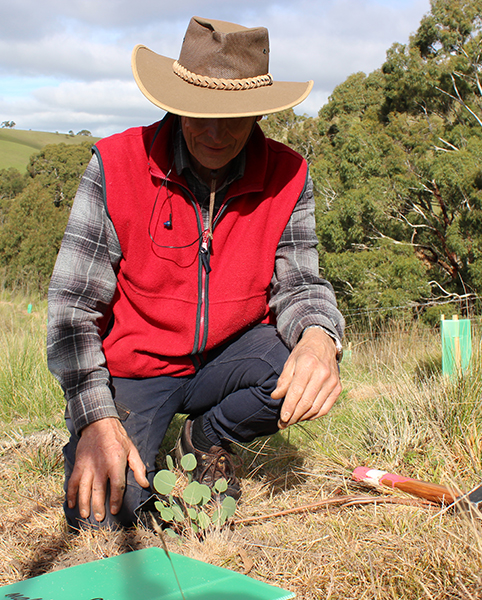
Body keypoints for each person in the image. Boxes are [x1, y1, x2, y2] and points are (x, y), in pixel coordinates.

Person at [47, 16, 345, 530]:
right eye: (198, 114)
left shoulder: (289, 174)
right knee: (99, 518)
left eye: (233, 117)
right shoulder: (114, 166)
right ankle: (132, 435)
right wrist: (96, 418)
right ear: (174, 101)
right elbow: (72, 310)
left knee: (303, 361)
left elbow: (299, 282)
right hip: (137, 369)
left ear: (258, 113)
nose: (214, 132)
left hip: (231, 357)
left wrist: (320, 338)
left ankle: (205, 437)